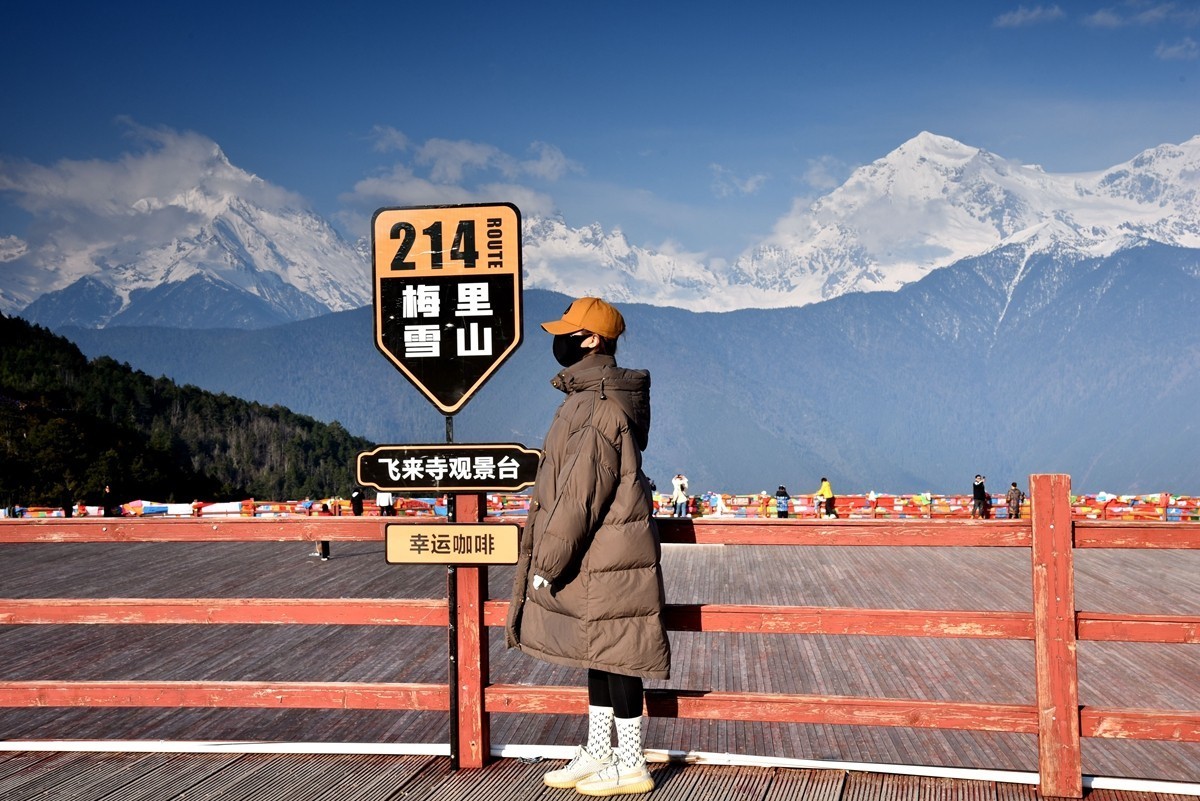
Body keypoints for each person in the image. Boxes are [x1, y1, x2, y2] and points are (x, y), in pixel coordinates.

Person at [506, 297, 668, 796]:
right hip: (603, 552)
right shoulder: (593, 397)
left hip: (605, 554)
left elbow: (580, 493)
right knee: (597, 650)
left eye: (568, 332)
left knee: (619, 655)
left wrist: (547, 562)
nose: (560, 341)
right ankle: (600, 752)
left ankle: (632, 762)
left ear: (592, 339)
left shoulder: (595, 405)